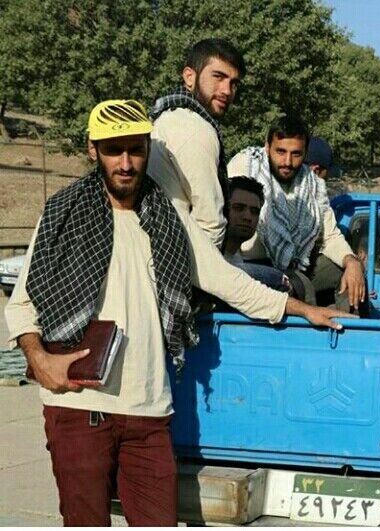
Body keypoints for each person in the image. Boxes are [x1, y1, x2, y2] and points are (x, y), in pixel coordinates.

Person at [4, 100, 350, 526]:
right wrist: (39, 359)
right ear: (93, 150)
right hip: (78, 408)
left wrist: (303, 309)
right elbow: (23, 302)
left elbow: (226, 279)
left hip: (148, 413)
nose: (127, 163)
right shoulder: (62, 213)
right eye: (114, 150)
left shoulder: (168, 216)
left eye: (136, 149)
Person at [227, 114, 366, 313]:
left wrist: (352, 262)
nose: (287, 162)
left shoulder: (313, 185)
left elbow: (329, 235)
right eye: (280, 152)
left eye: (296, 154)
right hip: (246, 262)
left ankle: (349, 336)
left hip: (297, 263)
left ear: (305, 153)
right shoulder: (245, 167)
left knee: (352, 276)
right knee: (301, 285)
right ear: (267, 146)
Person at [148, 38, 243, 249]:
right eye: (218, 77)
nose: (227, 91)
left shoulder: (169, 114)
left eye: (234, 83)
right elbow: (211, 225)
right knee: (287, 281)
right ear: (189, 76)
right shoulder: (194, 128)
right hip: (180, 261)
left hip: (162, 248)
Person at [224, 176, 289, 293]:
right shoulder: (209, 256)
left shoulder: (236, 258)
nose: (248, 217)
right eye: (238, 208)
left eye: (254, 212)